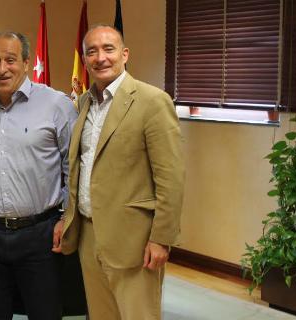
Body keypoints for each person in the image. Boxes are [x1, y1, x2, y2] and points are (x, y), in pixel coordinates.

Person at [53, 25, 185, 320]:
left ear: (124, 55)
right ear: (85, 60)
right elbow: (81, 168)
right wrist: (68, 216)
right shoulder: (85, 102)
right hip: (89, 234)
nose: (100, 57)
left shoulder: (152, 101)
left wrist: (161, 238)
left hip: (134, 240)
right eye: (92, 51)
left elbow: (171, 178)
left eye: (108, 49)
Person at [0, 31, 78, 320]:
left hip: (40, 233)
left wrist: (67, 216)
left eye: (10, 59)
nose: (2, 68)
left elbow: (74, 167)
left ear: (27, 62)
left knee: (44, 313)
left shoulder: (57, 105)